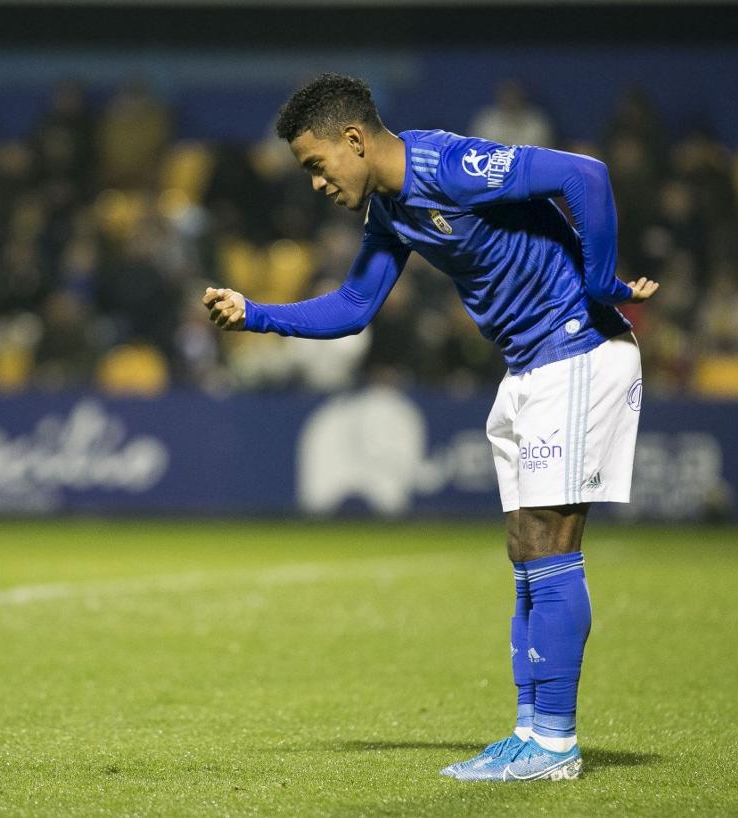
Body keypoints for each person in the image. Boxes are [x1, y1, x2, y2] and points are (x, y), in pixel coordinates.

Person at [203, 73, 659, 782]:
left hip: (578, 348)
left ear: (353, 140)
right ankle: (528, 732)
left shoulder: (448, 166)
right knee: (525, 549)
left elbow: (585, 175)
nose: (316, 184)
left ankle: (557, 743)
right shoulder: (389, 210)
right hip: (529, 365)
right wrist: (256, 313)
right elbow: (355, 304)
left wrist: (600, 280)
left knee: (551, 542)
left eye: (316, 165)